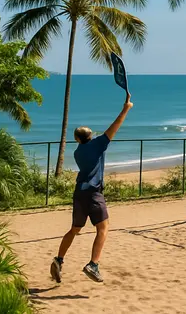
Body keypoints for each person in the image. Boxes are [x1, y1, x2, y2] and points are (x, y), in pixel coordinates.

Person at [50, 95, 133, 284]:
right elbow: (115, 125)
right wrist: (126, 108)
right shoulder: (97, 145)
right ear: (91, 137)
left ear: (77, 139)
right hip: (94, 194)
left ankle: (59, 259)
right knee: (103, 228)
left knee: (74, 230)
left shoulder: (78, 152)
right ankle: (93, 264)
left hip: (79, 193)